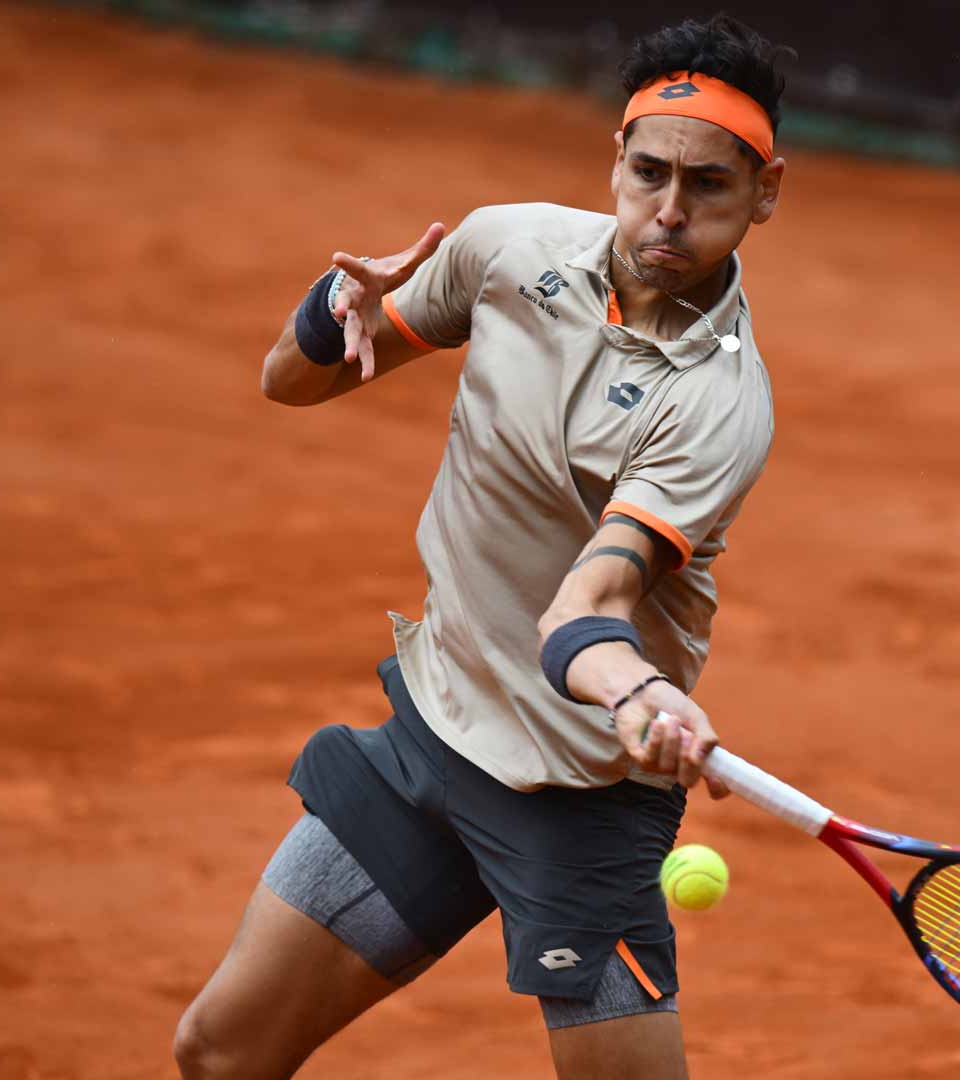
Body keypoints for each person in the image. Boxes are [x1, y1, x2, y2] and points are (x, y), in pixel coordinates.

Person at [174, 14, 791, 1080]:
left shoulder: (718, 405)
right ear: (617, 161)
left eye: (711, 189)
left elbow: (583, 606)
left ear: (766, 192)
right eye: (650, 173)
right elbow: (291, 379)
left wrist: (641, 697)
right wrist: (336, 312)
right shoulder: (508, 250)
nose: (670, 212)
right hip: (435, 733)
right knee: (221, 1053)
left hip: (579, 796)